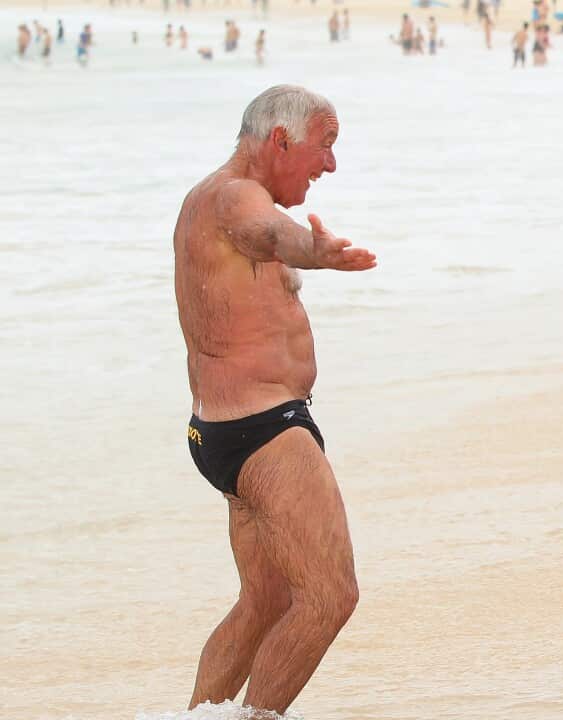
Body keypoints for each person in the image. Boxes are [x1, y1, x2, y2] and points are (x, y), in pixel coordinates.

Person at [175, 85, 372, 718]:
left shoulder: (208, 200)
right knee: (329, 595)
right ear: (281, 140)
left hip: (225, 433)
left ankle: (199, 715)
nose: (331, 166)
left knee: (265, 603)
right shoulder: (232, 196)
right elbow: (267, 235)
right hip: (263, 431)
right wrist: (312, 251)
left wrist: (304, 251)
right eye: (326, 148)